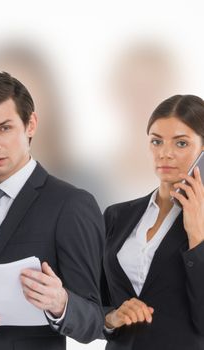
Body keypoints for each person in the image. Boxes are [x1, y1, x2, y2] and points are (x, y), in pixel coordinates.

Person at [0, 71, 104, 349]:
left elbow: (96, 318)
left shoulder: (71, 204)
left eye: (4, 128)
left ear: (31, 124)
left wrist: (61, 303)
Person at [101, 94, 204, 349]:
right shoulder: (117, 216)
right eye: (156, 141)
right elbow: (95, 300)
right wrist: (112, 319)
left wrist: (198, 239)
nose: (165, 153)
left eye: (181, 143)